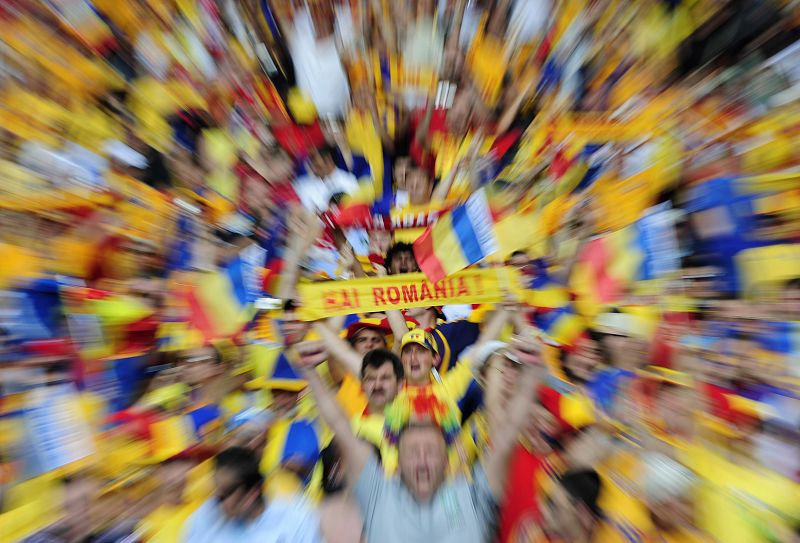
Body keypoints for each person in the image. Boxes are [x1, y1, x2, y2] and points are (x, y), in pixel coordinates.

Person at [296, 333, 547, 543]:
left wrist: (530, 373)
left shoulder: (471, 496)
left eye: (431, 451)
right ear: (397, 460)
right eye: (413, 452)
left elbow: (506, 436)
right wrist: (310, 371)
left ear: (446, 458)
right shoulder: (378, 495)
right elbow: (339, 424)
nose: (423, 459)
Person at [181, 447, 322, 542]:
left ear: (251, 494)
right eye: (215, 491)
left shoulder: (296, 520)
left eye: (224, 494)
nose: (216, 500)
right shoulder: (203, 519)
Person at [293, 145, 360, 214]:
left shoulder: (350, 180)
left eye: (317, 165)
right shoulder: (302, 185)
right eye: (310, 163)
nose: (312, 169)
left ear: (328, 160)